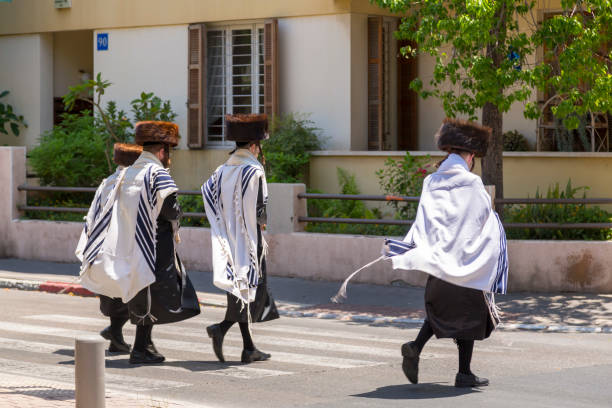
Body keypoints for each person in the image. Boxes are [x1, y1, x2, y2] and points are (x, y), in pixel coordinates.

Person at [391, 118, 508, 388]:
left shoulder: (431, 181)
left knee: (443, 309)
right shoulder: (472, 183)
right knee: (467, 314)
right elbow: (482, 217)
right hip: (465, 261)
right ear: (468, 156)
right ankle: (462, 372)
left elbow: (427, 217)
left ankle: (417, 347)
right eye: (472, 157)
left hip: (439, 260)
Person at [78, 121, 200, 365]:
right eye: (170, 153)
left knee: (139, 293)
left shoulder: (127, 173)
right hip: (154, 246)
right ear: (163, 151)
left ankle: (141, 344)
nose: (170, 159)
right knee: (151, 295)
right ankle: (141, 348)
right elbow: (171, 211)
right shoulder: (157, 174)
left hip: (128, 245)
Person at [202, 113, 279, 364]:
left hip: (228, 237)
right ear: (254, 145)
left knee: (241, 288)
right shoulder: (254, 169)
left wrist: (224, 223)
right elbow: (260, 209)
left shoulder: (222, 169)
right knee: (252, 288)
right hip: (249, 238)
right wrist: (258, 223)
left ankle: (248, 347)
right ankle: (223, 329)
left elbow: (207, 191)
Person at [76, 142, 142, 354]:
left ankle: (115, 335)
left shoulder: (108, 181)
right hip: (122, 246)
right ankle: (116, 334)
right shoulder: (133, 183)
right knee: (127, 292)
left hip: (101, 247)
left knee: (113, 294)